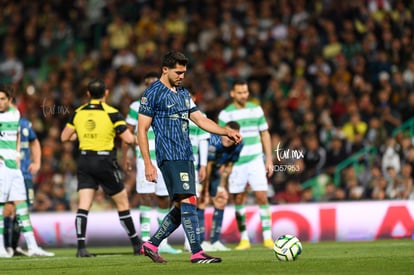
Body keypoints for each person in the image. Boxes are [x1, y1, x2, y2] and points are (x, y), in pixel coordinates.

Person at [137, 51, 242, 264]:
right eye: (178, 72)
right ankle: (196, 252)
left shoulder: (183, 93)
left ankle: (151, 244)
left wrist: (226, 131)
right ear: (165, 69)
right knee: (188, 200)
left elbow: (201, 120)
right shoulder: (152, 93)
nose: (182, 76)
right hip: (169, 154)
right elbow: (141, 130)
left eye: (184, 72)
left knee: (181, 206)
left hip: (185, 155)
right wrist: (148, 163)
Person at [60, 78, 143, 257]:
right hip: (105, 161)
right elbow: (128, 139)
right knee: (122, 203)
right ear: (106, 93)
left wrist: (81, 136)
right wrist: (143, 139)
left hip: (84, 161)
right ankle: (136, 244)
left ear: (88, 94)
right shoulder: (112, 113)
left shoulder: (78, 112)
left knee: (83, 205)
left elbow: (65, 137)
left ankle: (81, 248)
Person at [122, 72, 182, 254]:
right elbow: (128, 132)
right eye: (147, 83)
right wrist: (125, 156)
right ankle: (146, 240)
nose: (151, 86)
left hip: (166, 156)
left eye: (153, 83)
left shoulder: (170, 102)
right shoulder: (136, 105)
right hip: (145, 157)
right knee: (146, 197)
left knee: (164, 199)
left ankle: (162, 242)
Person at [218, 79, 274, 250]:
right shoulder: (225, 115)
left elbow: (265, 134)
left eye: (246, 92)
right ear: (232, 94)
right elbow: (222, 140)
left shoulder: (256, 109)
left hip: (256, 159)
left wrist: (269, 159)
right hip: (237, 163)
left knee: (262, 196)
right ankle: (244, 239)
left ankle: (268, 238)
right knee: (239, 199)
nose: (244, 95)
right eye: (240, 92)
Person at [0, 84, 54, 258]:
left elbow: (17, 135)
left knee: (21, 206)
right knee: (2, 207)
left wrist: (16, 153)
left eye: (2, 99)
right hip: (2, 167)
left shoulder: (15, 115)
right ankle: (1, 246)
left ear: (10, 100)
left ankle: (32, 246)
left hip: (15, 168)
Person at [199, 121, 244, 252]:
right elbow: (208, 165)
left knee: (221, 199)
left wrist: (221, 187)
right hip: (202, 171)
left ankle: (214, 241)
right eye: (227, 135)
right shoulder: (214, 142)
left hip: (217, 172)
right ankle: (200, 241)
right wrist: (205, 190)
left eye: (232, 137)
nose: (228, 139)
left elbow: (229, 166)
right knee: (202, 201)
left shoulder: (239, 144)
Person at [3, 117, 41, 256]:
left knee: (23, 209)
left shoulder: (25, 123)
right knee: (7, 209)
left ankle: (14, 245)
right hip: (7, 172)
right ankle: (6, 246)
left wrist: (37, 162)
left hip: (25, 174)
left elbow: (35, 141)